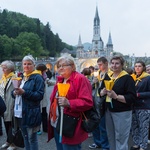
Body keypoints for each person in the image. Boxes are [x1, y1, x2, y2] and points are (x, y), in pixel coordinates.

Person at [47, 55, 93, 150]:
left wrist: (69, 103)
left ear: (72, 66)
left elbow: (87, 102)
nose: (61, 68)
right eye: (59, 66)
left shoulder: (80, 79)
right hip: (57, 122)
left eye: (64, 65)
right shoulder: (60, 80)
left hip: (71, 124)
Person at [100, 55, 136, 150]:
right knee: (110, 137)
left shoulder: (127, 78)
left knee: (121, 138)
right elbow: (99, 91)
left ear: (122, 65)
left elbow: (132, 97)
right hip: (108, 111)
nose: (114, 65)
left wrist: (116, 96)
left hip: (122, 112)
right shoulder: (108, 76)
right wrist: (102, 92)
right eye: (112, 63)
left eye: (117, 63)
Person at [12, 55, 45, 150]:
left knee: (32, 138)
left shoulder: (37, 78)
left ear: (34, 65)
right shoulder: (22, 77)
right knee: (25, 136)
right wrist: (14, 92)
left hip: (31, 112)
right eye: (24, 64)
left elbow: (39, 95)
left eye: (29, 64)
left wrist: (25, 93)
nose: (26, 66)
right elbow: (14, 92)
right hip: (20, 112)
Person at [89, 57, 110, 150]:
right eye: (98, 65)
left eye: (101, 64)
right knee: (95, 124)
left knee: (103, 126)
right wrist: (93, 82)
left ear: (106, 63)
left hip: (104, 103)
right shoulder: (97, 75)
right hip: (95, 101)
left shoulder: (109, 74)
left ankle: (105, 145)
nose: (99, 66)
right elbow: (90, 88)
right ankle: (97, 142)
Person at [131, 61, 150, 150]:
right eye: (136, 66)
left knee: (143, 127)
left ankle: (143, 145)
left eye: (139, 66)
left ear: (143, 68)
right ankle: (137, 143)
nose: (137, 68)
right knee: (134, 126)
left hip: (143, 105)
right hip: (134, 105)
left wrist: (139, 95)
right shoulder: (133, 78)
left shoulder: (147, 78)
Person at [0, 60, 16, 150]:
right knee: (6, 123)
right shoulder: (3, 77)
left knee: (11, 124)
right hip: (2, 104)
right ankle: (8, 141)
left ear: (10, 69)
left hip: (10, 104)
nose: (2, 69)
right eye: (2, 67)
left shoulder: (14, 78)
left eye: (5, 67)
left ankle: (13, 143)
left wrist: (14, 105)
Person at [36, 64, 48, 134]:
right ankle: (38, 129)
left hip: (43, 99)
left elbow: (47, 81)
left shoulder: (44, 76)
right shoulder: (38, 77)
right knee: (38, 114)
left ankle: (45, 128)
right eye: (45, 70)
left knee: (44, 113)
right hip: (39, 99)